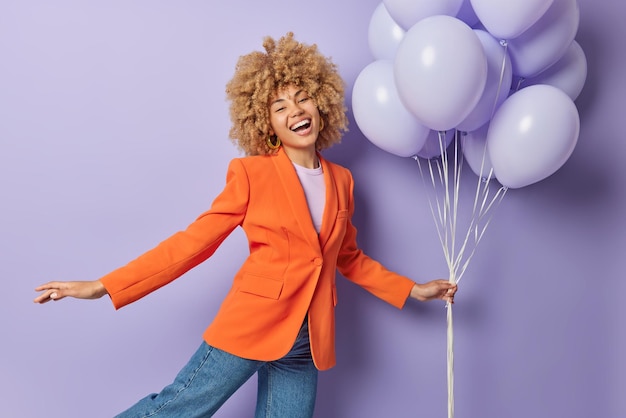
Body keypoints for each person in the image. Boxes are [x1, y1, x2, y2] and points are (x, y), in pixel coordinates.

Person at [33, 32, 457, 418]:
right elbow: (191, 244)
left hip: (306, 339)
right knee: (174, 410)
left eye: (303, 97)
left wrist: (411, 289)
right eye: (280, 106)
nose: (296, 110)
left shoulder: (343, 182)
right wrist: (103, 285)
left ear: (321, 104)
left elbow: (347, 257)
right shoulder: (251, 173)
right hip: (251, 324)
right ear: (266, 124)